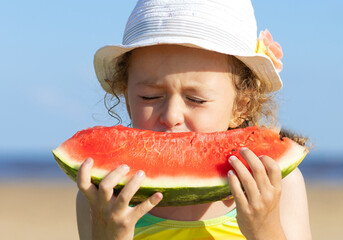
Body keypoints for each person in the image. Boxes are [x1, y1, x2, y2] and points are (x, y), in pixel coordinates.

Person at [76, 0, 312, 239]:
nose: (171, 116)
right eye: (150, 96)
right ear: (127, 101)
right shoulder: (101, 195)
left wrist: (265, 229)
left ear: (242, 105)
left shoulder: (279, 186)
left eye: (196, 99)